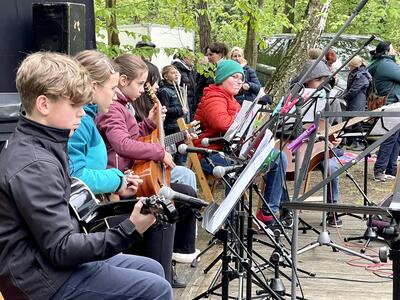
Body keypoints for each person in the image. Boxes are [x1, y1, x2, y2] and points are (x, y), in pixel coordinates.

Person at [0, 52, 172, 299]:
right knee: (156, 289)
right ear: (44, 104)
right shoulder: (34, 163)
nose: (82, 113)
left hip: (53, 264)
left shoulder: (45, 141)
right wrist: (129, 228)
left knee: (153, 267)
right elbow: (61, 248)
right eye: (74, 105)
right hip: (42, 281)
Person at [96, 53, 199, 287]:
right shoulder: (113, 107)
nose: (144, 89)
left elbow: (131, 137)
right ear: (122, 80)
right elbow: (122, 145)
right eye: (140, 83)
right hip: (121, 184)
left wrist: (149, 123)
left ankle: (174, 259)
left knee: (184, 194)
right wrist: (158, 152)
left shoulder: (123, 106)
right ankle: (159, 278)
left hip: (128, 178)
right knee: (165, 206)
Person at [194, 59, 288, 228]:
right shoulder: (213, 97)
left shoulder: (231, 100)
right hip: (210, 153)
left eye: (241, 78)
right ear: (222, 78)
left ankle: (267, 214)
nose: (239, 81)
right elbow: (222, 123)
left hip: (232, 152)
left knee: (279, 157)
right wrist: (247, 119)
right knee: (238, 170)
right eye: (235, 77)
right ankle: (231, 224)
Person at [298, 60, 343, 227]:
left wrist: (338, 139)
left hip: (320, 149)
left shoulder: (333, 101)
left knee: (332, 167)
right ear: (306, 81)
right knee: (280, 164)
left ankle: (332, 211)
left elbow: (337, 129)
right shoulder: (296, 98)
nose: (322, 83)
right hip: (297, 148)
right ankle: (286, 210)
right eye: (317, 79)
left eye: (325, 79)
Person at [368, 41, 400, 182]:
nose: (394, 51)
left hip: (393, 104)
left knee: (396, 138)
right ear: (387, 51)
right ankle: (379, 170)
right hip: (391, 104)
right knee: (390, 138)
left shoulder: (380, 63)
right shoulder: (386, 64)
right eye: (392, 49)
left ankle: (391, 169)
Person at [158, 65, 190, 165]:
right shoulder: (164, 91)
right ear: (166, 76)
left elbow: (186, 108)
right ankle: (175, 170)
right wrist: (179, 110)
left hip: (183, 125)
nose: (176, 75)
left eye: (177, 73)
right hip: (172, 126)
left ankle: (182, 169)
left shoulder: (181, 89)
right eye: (173, 73)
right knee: (176, 151)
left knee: (184, 150)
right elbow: (165, 109)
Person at [342, 55, 372, 151]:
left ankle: (360, 142)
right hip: (354, 100)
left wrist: (346, 96)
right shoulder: (357, 73)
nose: (349, 68)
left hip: (358, 100)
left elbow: (354, 89)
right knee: (353, 120)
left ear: (354, 66)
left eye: (350, 66)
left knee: (356, 120)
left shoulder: (361, 75)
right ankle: (354, 142)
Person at [172, 49, 198, 120]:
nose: (194, 59)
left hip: (190, 106)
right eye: (191, 56)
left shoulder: (189, 70)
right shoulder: (177, 69)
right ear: (184, 57)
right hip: (182, 108)